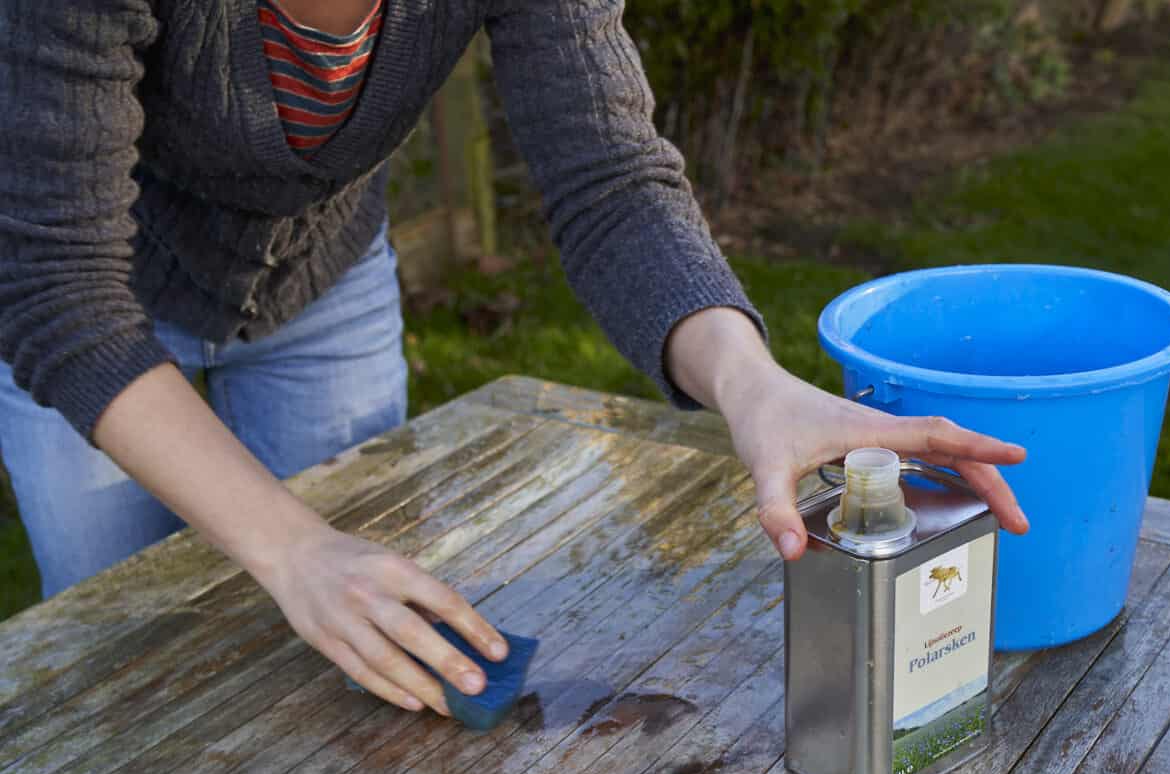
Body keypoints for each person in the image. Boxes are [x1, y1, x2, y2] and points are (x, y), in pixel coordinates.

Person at [0, 0, 1028, 717]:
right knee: (126, 650)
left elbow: (611, 182)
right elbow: (60, 293)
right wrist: (287, 544)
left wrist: (751, 385)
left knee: (365, 645)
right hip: (90, 291)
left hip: (320, 273)